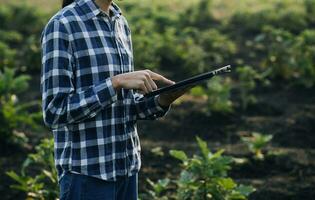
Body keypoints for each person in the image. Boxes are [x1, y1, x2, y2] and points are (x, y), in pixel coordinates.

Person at [40, 0, 189, 199]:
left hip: (126, 171)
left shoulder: (120, 22)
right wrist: (114, 83)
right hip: (87, 175)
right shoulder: (63, 25)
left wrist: (162, 100)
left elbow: (125, 105)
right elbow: (54, 111)